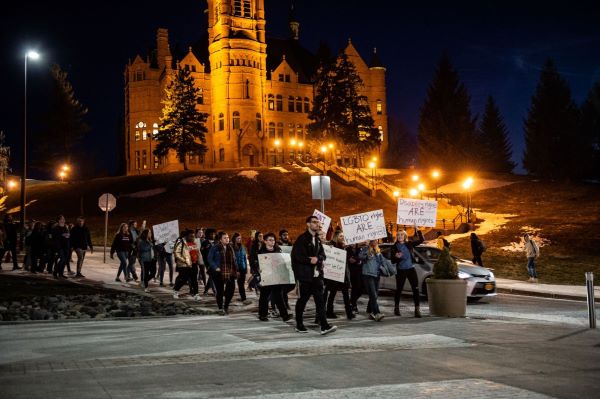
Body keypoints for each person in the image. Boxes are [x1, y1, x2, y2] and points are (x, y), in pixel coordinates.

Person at [291, 215, 337, 335]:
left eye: (318, 222)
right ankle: (299, 324)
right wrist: (309, 260)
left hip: (317, 276)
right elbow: (297, 256)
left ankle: (324, 326)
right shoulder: (302, 239)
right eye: (314, 222)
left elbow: (323, 255)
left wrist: (318, 259)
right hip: (305, 277)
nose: (317, 224)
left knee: (320, 301)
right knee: (302, 301)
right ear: (308, 224)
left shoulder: (316, 239)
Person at [256, 232, 292, 322]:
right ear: (265, 241)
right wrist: (258, 270)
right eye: (270, 240)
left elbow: (283, 262)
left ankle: (284, 315)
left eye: (273, 240)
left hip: (277, 276)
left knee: (279, 296)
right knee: (264, 296)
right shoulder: (261, 252)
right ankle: (262, 315)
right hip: (266, 277)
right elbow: (255, 263)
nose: (272, 242)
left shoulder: (278, 250)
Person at [391, 228, 424, 317]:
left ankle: (417, 310)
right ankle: (396, 308)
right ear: (396, 237)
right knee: (399, 290)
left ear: (405, 236)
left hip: (411, 269)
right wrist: (396, 257)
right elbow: (392, 261)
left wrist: (418, 230)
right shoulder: (394, 247)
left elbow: (421, 240)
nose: (400, 236)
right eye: (398, 235)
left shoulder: (409, 244)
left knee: (415, 289)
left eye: (401, 235)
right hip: (401, 270)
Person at [323, 230, 354, 320]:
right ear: (336, 237)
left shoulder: (344, 247)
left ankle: (349, 313)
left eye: (343, 236)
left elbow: (347, 259)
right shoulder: (331, 245)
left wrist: (347, 249)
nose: (342, 237)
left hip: (342, 273)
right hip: (333, 273)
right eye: (340, 236)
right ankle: (329, 311)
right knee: (332, 293)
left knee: (345, 294)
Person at [207, 231, 238, 315]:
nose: (227, 239)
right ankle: (220, 308)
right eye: (225, 238)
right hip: (218, 272)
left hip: (230, 271)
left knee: (231, 289)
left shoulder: (230, 248)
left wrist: (236, 270)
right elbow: (209, 259)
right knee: (220, 291)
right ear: (220, 239)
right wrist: (215, 267)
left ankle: (226, 305)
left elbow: (234, 260)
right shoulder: (215, 247)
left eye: (228, 237)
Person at [359, 240, 386, 322]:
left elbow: (381, 261)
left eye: (375, 240)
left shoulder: (378, 250)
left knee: (375, 294)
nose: (375, 242)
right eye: (372, 241)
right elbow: (360, 257)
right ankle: (377, 313)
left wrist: (383, 267)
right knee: (373, 294)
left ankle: (370, 311)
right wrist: (367, 254)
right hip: (368, 274)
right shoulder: (365, 249)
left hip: (376, 275)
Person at [173, 229, 201, 300]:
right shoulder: (181, 242)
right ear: (186, 236)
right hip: (184, 265)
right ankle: (175, 291)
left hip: (194, 264)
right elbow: (176, 253)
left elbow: (197, 252)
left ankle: (196, 294)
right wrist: (185, 260)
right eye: (191, 236)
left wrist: (198, 260)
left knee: (194, 280)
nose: (192, 238)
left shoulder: (194, 243)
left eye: (193, 236)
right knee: (184, 279)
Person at [232, 232, 250, 304]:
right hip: (234, 269)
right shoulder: (232, 247)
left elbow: (244, 258)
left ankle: (243, 298)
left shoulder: (243, 247)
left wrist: (245, 268)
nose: (239, 240)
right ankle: (227, 296)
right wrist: (235, 269)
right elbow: (232, 259)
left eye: (240, 238)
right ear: (234, 239)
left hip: (242, 268)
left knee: (241, 284)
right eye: (238, 238)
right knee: (231, 285)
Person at [348, 243, 364, 314]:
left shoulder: (360, 249)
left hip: (361, 272)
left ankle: (352, 301)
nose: (353, 244)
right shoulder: (347, 249)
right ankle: (354, 305)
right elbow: (350, 259)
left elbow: (362, 258)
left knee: (361, 288)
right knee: (355, 288)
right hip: (352, 272)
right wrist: (357, 260)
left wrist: (357, 260)